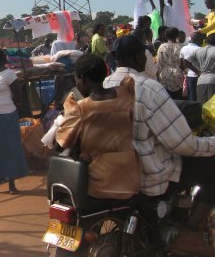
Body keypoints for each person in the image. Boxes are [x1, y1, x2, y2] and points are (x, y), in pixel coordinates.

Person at [104, 35, 215, 257]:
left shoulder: (104, 84)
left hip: (113, 170)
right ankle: (189, 233)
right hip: (149, 174)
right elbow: (181, 144)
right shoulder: (149, 89)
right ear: (139, 57)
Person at [56, 54, 140, 199]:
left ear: (83, 78)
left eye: (76, 79)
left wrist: (61, 124)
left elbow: (62, 143)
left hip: (99, 184)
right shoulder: (124, 93)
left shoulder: (81, 107)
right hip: (129, 178)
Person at [0, 47, 28, 197]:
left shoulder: (9, 74)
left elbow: (19, 95)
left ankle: (11, 184)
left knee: (10, 148)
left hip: (7, 116)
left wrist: (16, 107)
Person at [185, 33, 215, 104]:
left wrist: (197, 72)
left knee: (202, 107)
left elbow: (185, 61)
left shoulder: (198, 50)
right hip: (213, 81)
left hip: (201, 81)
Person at [157, 27, 184, 99]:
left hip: (164, 76)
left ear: (166, 35)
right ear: (177, 35)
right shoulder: (180, 47)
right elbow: (182, 64)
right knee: (178, 100)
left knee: (167, 100)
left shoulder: (161, 47)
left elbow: (159, 63)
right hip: (178, 76)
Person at [180, 31, 206, 101]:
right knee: (200, 97)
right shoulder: (200, 49)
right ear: (199, 40)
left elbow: (181, 64)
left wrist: (185, 71)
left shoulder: (183, 48)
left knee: (191, 96)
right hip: (200, 76)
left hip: (189, 76)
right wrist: (197, 71)